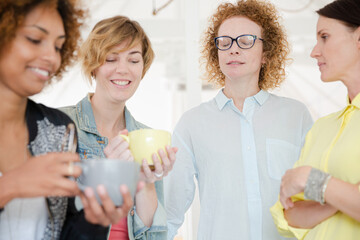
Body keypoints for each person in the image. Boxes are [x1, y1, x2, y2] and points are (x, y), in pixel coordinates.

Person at [164, 0, 313, 239]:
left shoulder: (296, 116)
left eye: (246, 41)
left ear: (266, 54)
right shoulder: (192, 124)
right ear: (216, 53)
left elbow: (316, 195)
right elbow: (169, 212)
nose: (233, 49)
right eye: (224, 42)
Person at [0, 1, 134, 240]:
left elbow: (65, 232)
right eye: (34, 39)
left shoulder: (59, 128)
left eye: (58, 46)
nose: (51, 57)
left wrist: (94, 222)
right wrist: (8, 187)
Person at [61, 15, 177, 240]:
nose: (123, 70)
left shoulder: (145, 139)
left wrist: (146, 183)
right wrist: (105, 174)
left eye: (133, 61)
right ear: (93, 66)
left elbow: (155, 237)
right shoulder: (60, 126)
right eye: (111, 59)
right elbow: (47, 224)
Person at [270, 0, 360, 239]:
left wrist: (312, 180)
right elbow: (292, 214)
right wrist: (344, 198)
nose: (314, 51)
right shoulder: (322, 129)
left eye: (325, 37)